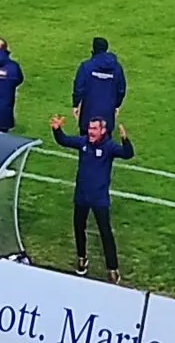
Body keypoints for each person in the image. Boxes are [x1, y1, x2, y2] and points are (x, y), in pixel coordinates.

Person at [50, 113, 134, 284]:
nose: (91, 131)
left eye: (94, 128)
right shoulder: (83, 143)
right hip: (81, 195)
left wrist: (125, 140)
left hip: (99, 199)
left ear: (103, 130)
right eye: (89, 128)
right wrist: (57, 130)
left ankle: (112, 268)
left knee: (105, 233)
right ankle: (82, 258)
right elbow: (64, 141)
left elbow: (127, 154)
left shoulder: (109, 147)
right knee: (78, 228)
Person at [71, 36, 126, 135]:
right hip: (107, 111)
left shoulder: (86, 66)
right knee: (105, 144)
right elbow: (121, 89)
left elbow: (78, 88)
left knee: (86, 143)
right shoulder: (117, 68)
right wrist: (116, 105)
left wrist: (75, 104)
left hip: (88, 111)